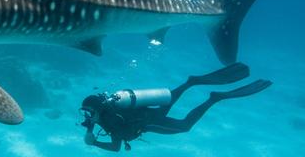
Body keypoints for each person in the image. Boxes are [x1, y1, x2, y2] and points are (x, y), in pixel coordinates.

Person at [80, 63, 271, 152]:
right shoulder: (108, 110)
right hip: (148, 112)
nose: (88, 116)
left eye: (89, 112)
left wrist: (94, 143)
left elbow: (115, 148)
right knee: (169, 101)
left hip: (149, 123)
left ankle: (214, 98)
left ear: (98, 110)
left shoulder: (111, 121)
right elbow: (99, 119)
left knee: (185, 126)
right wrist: (91, 126)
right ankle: (190, 83)